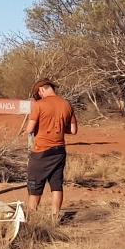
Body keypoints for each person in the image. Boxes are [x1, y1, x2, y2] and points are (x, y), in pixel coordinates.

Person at [22, 78, 77, 216]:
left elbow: (29, 129)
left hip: (41, 151)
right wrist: (58, 128)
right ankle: (55, 216)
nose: (39, 96)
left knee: (35, 185)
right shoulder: (66, 104)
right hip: (59, 151)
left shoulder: (39, 105)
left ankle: (32, 216)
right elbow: (73, 130)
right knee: (56, 185)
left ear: (41, 90)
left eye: (38, 94)